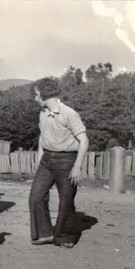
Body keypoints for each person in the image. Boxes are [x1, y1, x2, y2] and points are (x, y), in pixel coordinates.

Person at [29, 78, 89, 248]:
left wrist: (77, 167)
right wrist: (40, 160)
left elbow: (84, 141)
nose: (35, 99)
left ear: (46, 93)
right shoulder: (43, 113)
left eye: (36, 95)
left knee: (66, 200)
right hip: (47, 160)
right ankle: (45, 233)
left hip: (67, 160)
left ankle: (66, 237)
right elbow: (43, 137)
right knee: (36, 196)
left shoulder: (69, 114)